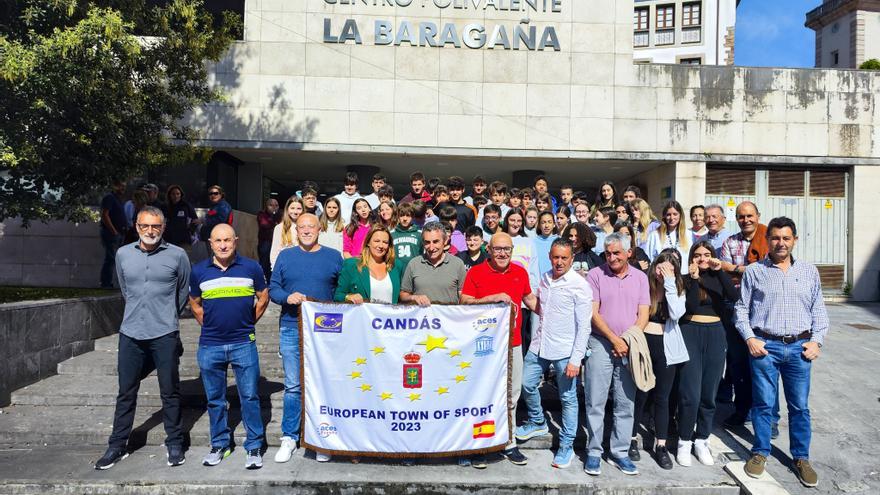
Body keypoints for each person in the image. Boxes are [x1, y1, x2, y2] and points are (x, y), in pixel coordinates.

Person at [95, 207, 191, 470]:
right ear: (137, 226)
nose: (150, 231)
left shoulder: (178, 255)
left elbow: (183, 291)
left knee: (170, 392)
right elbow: (126, 290)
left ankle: (175, 442)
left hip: (164, 334)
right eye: (145, 226)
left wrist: (167, 316)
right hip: (131, 334)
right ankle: (116, 445)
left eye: (156, 226)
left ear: (163, 227)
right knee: (126, 392)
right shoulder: (123, 254)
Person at [735, 216, 828, 488]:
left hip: (800, 349)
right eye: (775, 237)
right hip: (766, 347)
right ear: (768, 240)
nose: (781, 243)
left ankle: (801, 458)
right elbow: (741, 309)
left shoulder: (810, 271)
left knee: (799, 407)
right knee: (763, 404)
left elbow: (818, 309)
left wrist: (817, 341)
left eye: (786, 238)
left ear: (794, 240)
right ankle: (761, 452)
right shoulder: (754, 271)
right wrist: (750, 338)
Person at [189, 224, 269, 470]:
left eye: (227, 240)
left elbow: (263, 297)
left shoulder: (251, 268)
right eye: (218, 241)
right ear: (210, 244)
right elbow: (194, 303)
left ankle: (254, 445)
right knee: (215, 400)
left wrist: (246, 322)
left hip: (243, 342)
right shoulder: (199, 270)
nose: (223, 245)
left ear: (235, 240)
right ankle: (220, 444)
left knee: (250, 397)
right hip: (210, 345)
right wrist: (211, 324)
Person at [270, 213, 343, 464]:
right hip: (292, 327)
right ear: (295, 230)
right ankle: (290, 436)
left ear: (319, 228)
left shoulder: (334, 257)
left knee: (323, 383)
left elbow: (341, 291)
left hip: (327, 330)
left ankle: (321, 437)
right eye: (302, 227)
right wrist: (286, 297)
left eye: (311, 226)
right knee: (293, 385)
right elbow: (274, 288)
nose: (306, 230)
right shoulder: (285, 255)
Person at [461, 232, 538, 468]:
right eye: (498, 249)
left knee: (512, 396)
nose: (503, 253)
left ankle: (509, 442)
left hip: (512, 344)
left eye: (507, 249)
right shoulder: (476, 272)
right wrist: (493, 298)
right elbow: (464, 301)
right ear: (489, 250)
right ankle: (480, 446)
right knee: (482, 394)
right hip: (484, 347)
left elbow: (530, 300)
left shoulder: (520, 272)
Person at [515, 239, 591, 469]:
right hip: (540, 345)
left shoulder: (580, 285)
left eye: (564, 258)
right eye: (555, 257)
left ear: (572, 259)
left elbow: (584, 326)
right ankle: (538, 420)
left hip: (565, 352)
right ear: (550, 256)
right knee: (526, 384)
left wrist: (576, 359)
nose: (559, 262)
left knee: (568, 399)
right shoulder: (545, 278)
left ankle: (566, 444)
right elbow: (540, 307)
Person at [583, 232, 649, 477]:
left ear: (629, 253)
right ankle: (593, 451)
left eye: (617, 253)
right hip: (601, 342)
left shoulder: (641, 278)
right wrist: (614, 339)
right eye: (608, 253)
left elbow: (643, 314)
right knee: (595, 400)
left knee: (625, 402)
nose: (611, 257)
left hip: (630, 344)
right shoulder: (595, 275)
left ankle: (619, 452)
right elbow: (594, 313)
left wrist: (628, 339)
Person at [676, 241, 738, 467]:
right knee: (689, 393)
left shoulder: (717, 277)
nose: (702, 258)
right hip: (691, 332)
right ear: (691, 257)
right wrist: (692, 279)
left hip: (715, 333)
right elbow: (690, 307)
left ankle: (701, 440)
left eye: (706, 254)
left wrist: (719, 268)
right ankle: (684, 441)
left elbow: (733, 295)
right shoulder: (685, 278)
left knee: (709, 393)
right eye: (698, 255)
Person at [632, 251, 688, 470]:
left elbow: (675, 314)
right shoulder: (644, 285)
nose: (662, 271)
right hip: (645, 343)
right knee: (640, 394)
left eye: (669, 267)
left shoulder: (678, 289)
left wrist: (671, 284)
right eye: (660, 266)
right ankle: (632, 439)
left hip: (667, 347)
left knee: (662, 398)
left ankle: (661, 445)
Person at [719, 201, 770, 428]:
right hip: (736, 306)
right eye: (741, 216)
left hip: (764, 310)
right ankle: (740, 411)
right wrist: (752, 269)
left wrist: (738, 269)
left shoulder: (770, 240)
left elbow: (769, 271)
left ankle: (768, 418)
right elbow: (725, 273)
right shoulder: (730, 242)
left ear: (757, 216)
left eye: (750, 216)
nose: (746, 220)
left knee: (764, 365)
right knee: (738, 363)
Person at [399, 222, 467, 308]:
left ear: (445, 241)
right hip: (422, 319)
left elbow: (463, 296)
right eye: (427, 242)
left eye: (435, 242)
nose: (431, 247)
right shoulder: (414, 264)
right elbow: (403, 295)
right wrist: (414, 297)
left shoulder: (457, 264)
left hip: (448, 319)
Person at [335, 225, 402, 304]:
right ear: (368, 242)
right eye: (376, 241)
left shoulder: (396, 265)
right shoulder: (351, 264)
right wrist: (349, 297)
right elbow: (338, 296)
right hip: (362, 315)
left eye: (385, 242)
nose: (380, 246)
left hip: (389, 316)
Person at [645, 200, 693, 270]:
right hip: (661, 276)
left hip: (683, 276)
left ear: (680, 215)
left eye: (675, 214)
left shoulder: (689, 234)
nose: (671, 218)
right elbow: (649, 258)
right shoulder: (654, 235)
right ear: (664, 216)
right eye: (668, 215)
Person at [99, 180, 128, 288]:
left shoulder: (118, 199)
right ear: (114, 186)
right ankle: (106, 283)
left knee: (113, 259)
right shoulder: (109, 197)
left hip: (118, 233)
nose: (123, 188)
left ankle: (108, 282)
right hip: (111, 233)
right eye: (120, 185)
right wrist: (114, 231)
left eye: (124, 186)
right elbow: (105, 215)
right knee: (110, 258)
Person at [270, 196, 304, 269]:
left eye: (299, 209)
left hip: (302, 266)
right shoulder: (279, 227)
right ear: (287, 209)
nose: (295, 211)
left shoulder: (307, 227)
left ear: (303, 210)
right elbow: (274, 251)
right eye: (292, 208)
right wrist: (275, 268)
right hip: (285, 267)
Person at [164, 185, 198, 252]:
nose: (175, 196)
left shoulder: (186, 206)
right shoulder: (165, 207)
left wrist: (191, 230)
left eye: (177, 194)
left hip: (184, 239)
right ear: (169, 195)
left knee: (184, 259)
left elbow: (195, 220)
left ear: (181, 195)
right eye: (173, 194)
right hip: (169, 239)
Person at [391, 202, 422, 269]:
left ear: (413, 216)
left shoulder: (420, 234)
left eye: (408, 215)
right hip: (397, 270)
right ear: (398, 216)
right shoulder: (391, 234)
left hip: (415, 270)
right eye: (402, 215)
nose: (405, 219)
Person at [257, 198, 280, 282]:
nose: (274, 207)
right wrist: (274, 223)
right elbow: (264, 224)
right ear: (266, 206)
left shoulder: (279, 215)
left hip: (277, 243)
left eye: (276, 205)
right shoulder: (262, 214)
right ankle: (263, 281)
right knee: (264, 263)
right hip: (266, 242)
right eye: (271, 205)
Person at [533, 211, 558, 277]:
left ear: (554, 224)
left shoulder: (559, 241)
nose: (546, 226)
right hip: (538, 281)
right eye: (543, 222)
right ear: (539, 225)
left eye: (549, 222)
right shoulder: (533, 242)